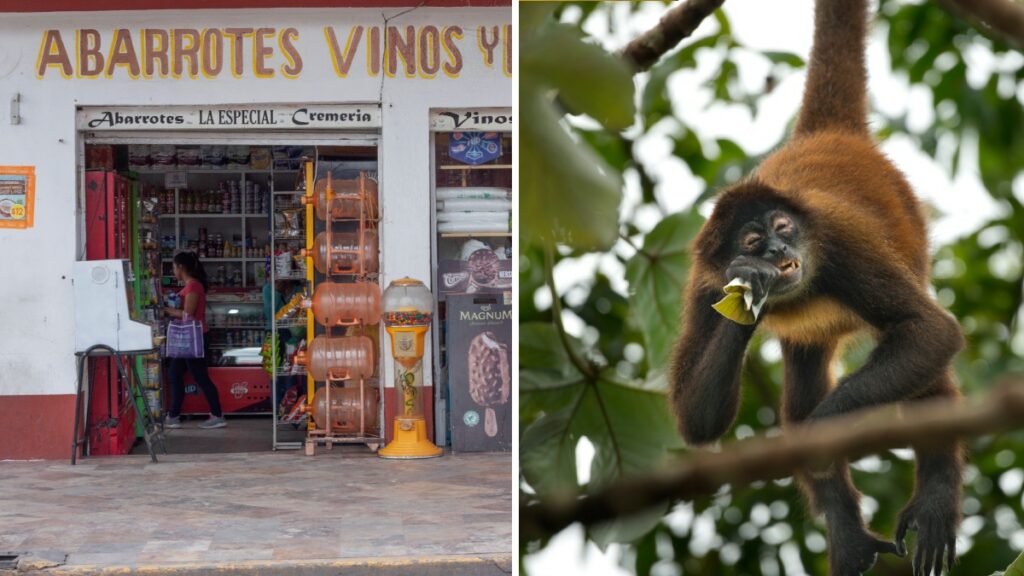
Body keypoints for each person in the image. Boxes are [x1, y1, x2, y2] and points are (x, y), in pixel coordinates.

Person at [163, 251, 227, 429]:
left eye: (174, 267)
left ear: (181, 267)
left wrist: (166, 310)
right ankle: (173, 416)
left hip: (194, 338)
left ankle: (217, 415)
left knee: (200, 376)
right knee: (174, 373)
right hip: (187, 339)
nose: (173, 271)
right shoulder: (190, 286)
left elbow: (188, 314)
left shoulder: (193, 286)